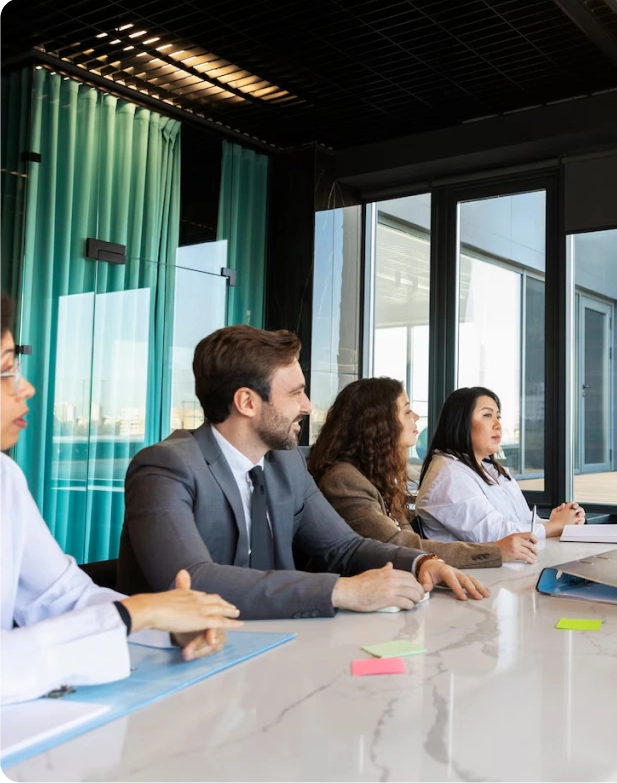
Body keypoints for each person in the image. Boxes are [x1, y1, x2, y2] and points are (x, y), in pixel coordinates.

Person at [117, 326, 489, 620]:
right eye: (295, 393)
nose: (308, 406)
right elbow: (192, 580)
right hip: (178, 666)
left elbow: (344, 547)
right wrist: (341, 592)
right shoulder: (164, 468)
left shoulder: (285, 462)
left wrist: (423, 562)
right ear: (247, 402)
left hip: (275, 647)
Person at [0, 292, 242, 706]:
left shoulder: (5, 479)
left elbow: (63, 595)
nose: (27, 387)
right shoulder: (168, 465)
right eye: (6, 370)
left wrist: (169, 622)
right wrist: (138, 613)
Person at [308, 378, 539, 568]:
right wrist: (494, 550)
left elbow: (408, 540)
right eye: (407, 411)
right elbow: (398, 546)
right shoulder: (344, 481)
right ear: (378, 423)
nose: (416, 417)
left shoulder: (377, 477)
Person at [415, 387, 585, 543]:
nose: (498, 425)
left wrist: (561, 520)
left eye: (498, 416)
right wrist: (555, 527)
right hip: (478, 574)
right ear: (461, 422)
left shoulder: (490, 469)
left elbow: (521, 521)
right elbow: (494, 534)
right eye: (487, 415)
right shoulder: (449, 475)